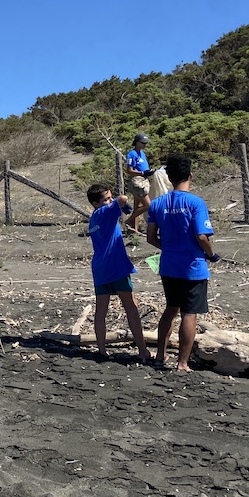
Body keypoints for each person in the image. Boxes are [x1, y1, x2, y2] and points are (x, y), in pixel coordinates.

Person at [146, 153, 220, 372]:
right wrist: (211, 254)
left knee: (170, 309)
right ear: (190, 175)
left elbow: (150, 237)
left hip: (168, 265)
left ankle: (160, 355)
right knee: (189, 313)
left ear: (168, 176)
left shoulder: (158, 203)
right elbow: (202, 236)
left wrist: (168, 248)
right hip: (192, 266)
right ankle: (182, 363)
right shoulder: (196, 202)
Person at [86, 184, 152, 363]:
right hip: (115, 266)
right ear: (95, 203)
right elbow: (122, 199)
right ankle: (143, 350)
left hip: (100, 267)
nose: (109, 201)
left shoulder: (93, 218)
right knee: (131, 308)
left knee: (101, 311)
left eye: (109, 198)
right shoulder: (104, 212)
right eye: (106, 199)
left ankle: (102, 350)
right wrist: (120, 204)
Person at [125, 132, 155, 236]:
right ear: (137, 142)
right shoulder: (131, 154)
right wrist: (142, 173)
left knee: (138, 207)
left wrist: (149, 172)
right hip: (137, 182)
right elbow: (129, 170)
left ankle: (134, 230)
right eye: (143, 143)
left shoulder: (142, 153)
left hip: (144, 180)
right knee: (148, 205)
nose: (144, 145)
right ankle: (129, 220)